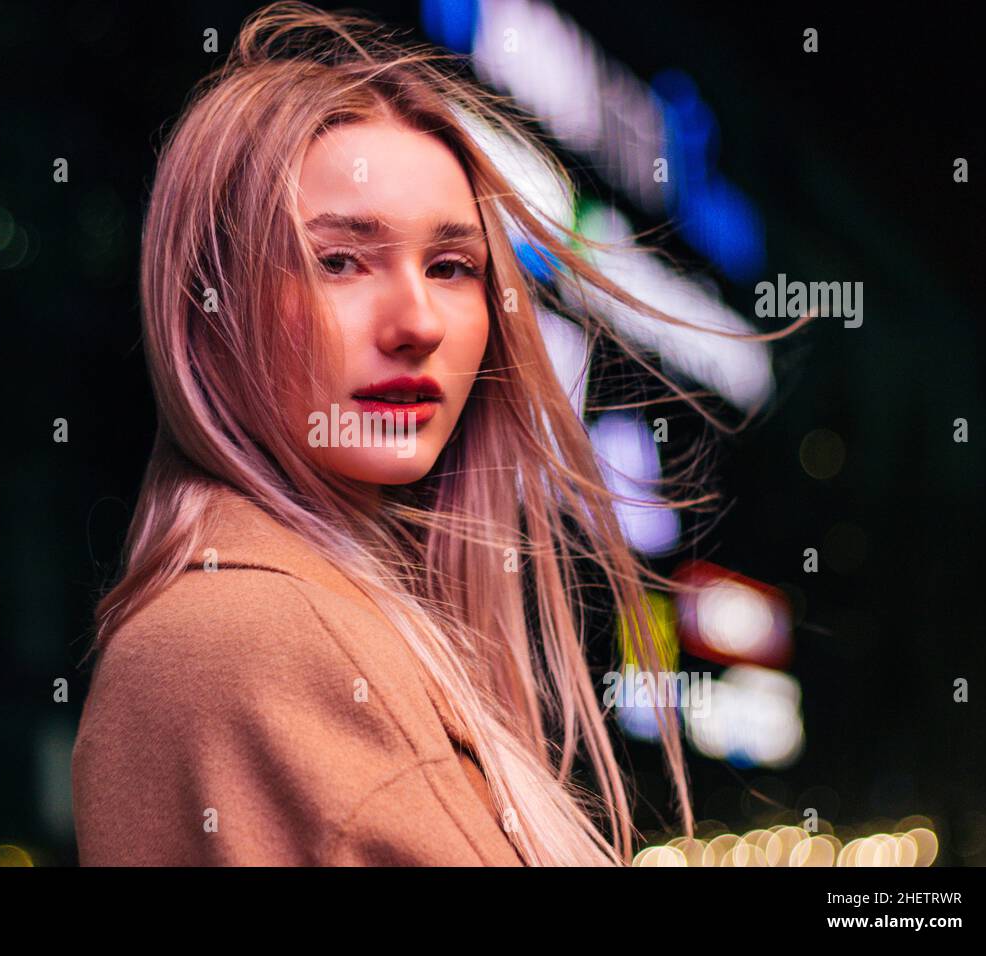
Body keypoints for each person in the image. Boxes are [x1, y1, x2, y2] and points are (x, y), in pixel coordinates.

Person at [72, 1, 754, 866]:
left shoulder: (313, 622)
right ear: (208, 308)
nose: (418, 321)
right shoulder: (262, 636)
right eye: (341, 260)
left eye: (451, 266)